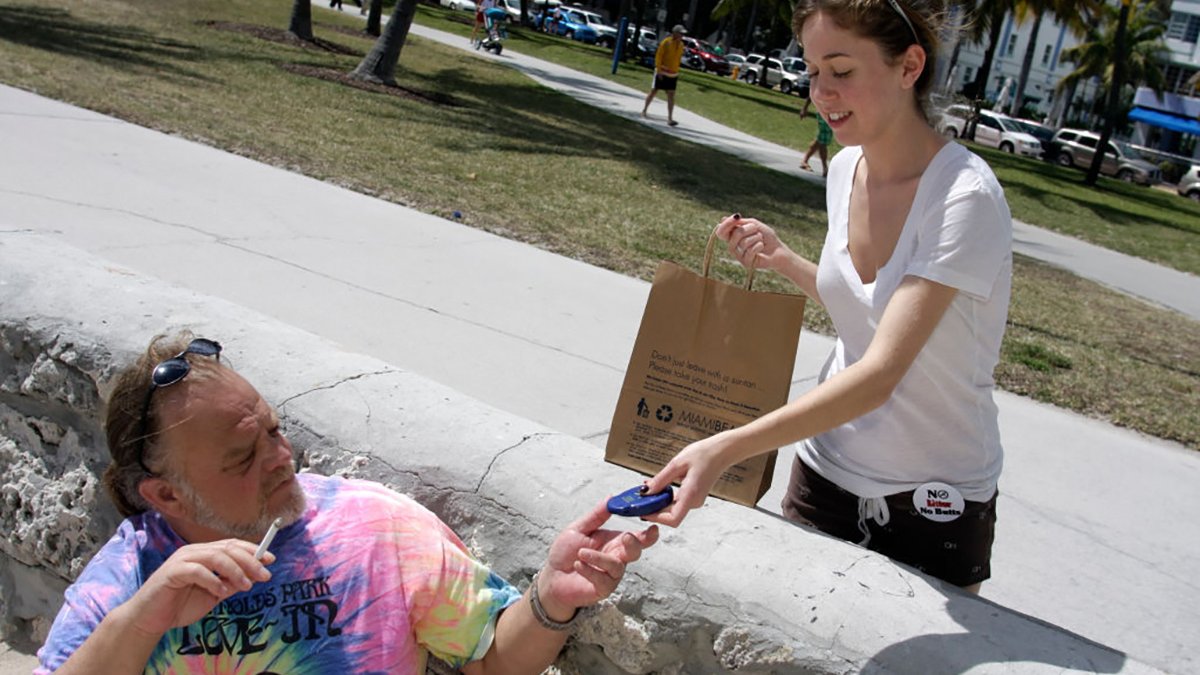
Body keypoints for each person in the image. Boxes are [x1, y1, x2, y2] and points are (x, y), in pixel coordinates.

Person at [644, 0, 1012, 594]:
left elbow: (881, 371)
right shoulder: (844, 170)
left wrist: (726, 448)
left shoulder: (963, 197)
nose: (821, 91)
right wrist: (783, 259)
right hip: (824, 474)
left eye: (841, 70)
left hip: (934, 501)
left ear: (909, 66)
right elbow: (869, 314)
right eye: (813, 71)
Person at [36, 333, 658, 673]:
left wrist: (551, 598)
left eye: (274, 431)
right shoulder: (127, 586)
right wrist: (143, 622)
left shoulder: (374, 526)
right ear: (165, 494)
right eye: (243, 457)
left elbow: (490, 659)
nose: (282, 458)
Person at [640, 24, 687, 127]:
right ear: (675, 32)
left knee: (671, 95)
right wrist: (659, 70)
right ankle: (644, 110)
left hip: (673, 73)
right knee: (654, 91)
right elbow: (659, 56)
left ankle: (670, 118)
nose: (682, 35)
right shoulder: (666, 42)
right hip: (662, 71)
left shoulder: (681, 45)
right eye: (680, 33)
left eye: (683, 34)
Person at [799, 97, 832, 177]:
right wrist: (805, 108)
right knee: (823, 140)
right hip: (824, 111)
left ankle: (804, 161)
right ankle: (825, 168)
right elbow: (811, 93)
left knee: (821, 138)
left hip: (831, 111)